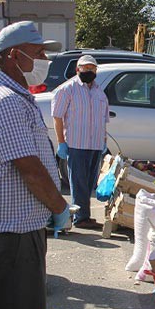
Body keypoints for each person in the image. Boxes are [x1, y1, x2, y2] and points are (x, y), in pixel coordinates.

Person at [0, 21, 67, 309]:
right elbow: (30, 169)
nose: (45, 61)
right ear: (14, 56)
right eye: (38, 53)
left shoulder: (15, 96)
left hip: (21, 231)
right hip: (12, 239)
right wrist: (59, 207)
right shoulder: (6, 101)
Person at [52, 55, 109, 229]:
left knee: (89, 183)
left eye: (92, 69)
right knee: (78, 183)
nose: (89, 72)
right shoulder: (68, 89)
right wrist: (61, 142)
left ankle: (85, 215)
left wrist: (104, 142)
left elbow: (103, 119)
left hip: (95, 144)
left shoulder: (99, 92)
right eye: (85, 69)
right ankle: (80, 218)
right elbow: (57, 117)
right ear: (78, 70)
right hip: (76, 144)